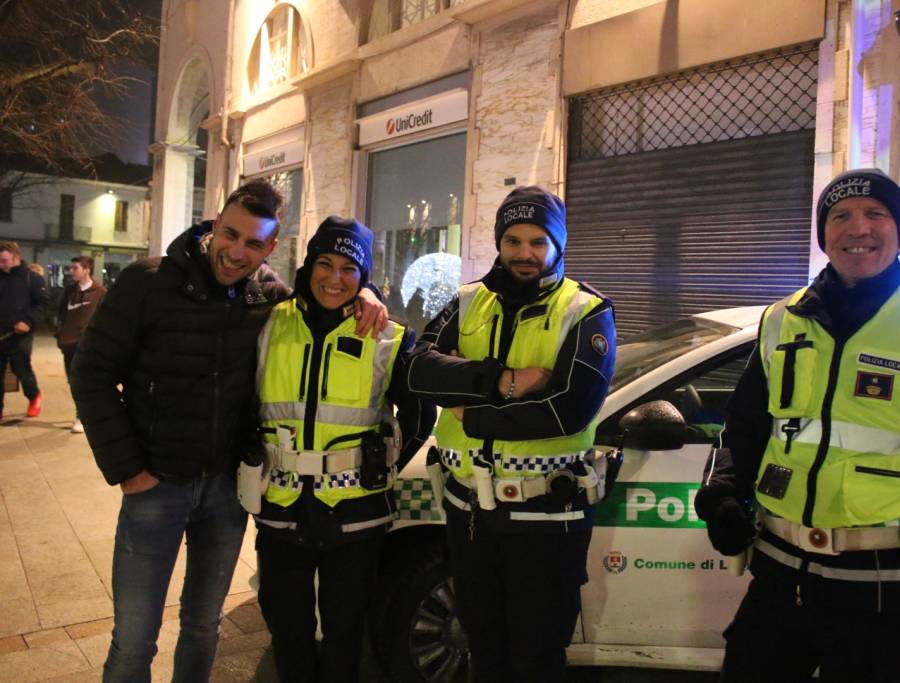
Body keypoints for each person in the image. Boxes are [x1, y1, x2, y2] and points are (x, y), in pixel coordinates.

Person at [694, 168, 900, 683]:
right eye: (841, 215)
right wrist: (721, 492)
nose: (858, 228)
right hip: (779, 577)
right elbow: (742, 425)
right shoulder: (783, 320)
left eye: (877, 214)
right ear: (824, 233)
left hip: (884, 591)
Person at [69, 181, 387, 683]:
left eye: (254, 244)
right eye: (231, 235)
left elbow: (324, 297)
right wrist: (129, 470)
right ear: (214, 224)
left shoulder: (267, 298)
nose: (237, 252)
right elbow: (90, 373)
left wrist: (367, 291)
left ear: (270, 249)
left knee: (203, 626)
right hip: (155, 485)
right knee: (135, 637)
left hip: (226, 491)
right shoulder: (147, 282)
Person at [407, 186, 617, 682]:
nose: (525, 253)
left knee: (537, 658)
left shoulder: (585, 312)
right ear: (500, 243)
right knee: (484, 648)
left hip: (548, 519)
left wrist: (470, 413)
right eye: (514, 240)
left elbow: (567, 411)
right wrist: (503, 381)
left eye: (539, 241)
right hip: (471, 516)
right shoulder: (465, 302)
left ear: (558, 245)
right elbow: (417, 371)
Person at [249, 216, 435, 683]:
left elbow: (419, 415)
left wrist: (381, 461)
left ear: (364, 276)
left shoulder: (387, 335)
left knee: (345, 632)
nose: (334, 278)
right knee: (287, 631)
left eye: (349, 269)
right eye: (325, 263)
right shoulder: (269, 324)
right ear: (309, 265)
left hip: (357, 513)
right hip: (281, 507)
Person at [55, 255, 106, 433]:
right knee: (72, 381)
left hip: (87, 345)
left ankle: (81, 415)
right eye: (71, 268)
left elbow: (105, 319)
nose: (71, 271)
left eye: (75, 268)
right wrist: (60, 335)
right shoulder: (70, 291)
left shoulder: (100, 292)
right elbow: (61, 314)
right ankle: (83, 412)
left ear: (86, 270)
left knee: (82, 381)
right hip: (68, 344)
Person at [0, 241, 47, 419]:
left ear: (16, 258)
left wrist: (27, 321)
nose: (2, 264)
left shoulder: (32, 278)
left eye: (5, 260)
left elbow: (42, 304)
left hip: (21, 334)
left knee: (21, 368)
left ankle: (34, 396)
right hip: (1, 332)